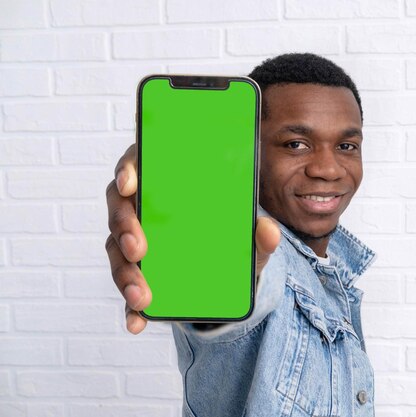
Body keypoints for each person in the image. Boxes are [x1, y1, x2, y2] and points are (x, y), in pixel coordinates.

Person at [105, 53, 376, 417]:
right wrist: (192, 207)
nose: (328, 169)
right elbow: (242, 295)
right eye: (296, 143)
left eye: (346, 146)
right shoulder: (258, 253)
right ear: (247, 153)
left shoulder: (331, 272)